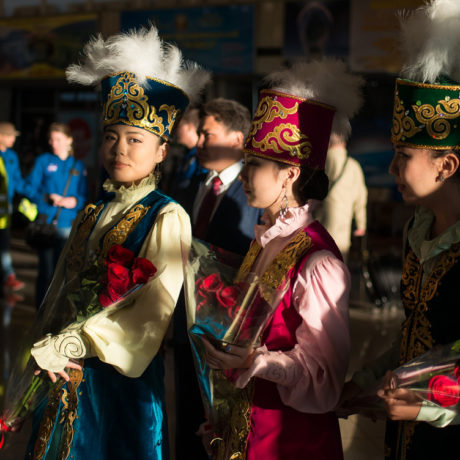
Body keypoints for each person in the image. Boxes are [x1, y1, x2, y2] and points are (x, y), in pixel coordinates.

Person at [20, 26, 209, 459]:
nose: (118, 149)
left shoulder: (167, 215)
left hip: (120, 388)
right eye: (110, 136)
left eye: (134, 139)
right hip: (63, 375)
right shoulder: (91, 211)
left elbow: (151, 314)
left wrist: (69, 343)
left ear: (162, 150)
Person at [200, 59, 363, 459]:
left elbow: (325, 380)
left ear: (289, 174)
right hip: (250, 429)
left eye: (253, 166)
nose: (242, 175)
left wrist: (259, 361)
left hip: (292, 441)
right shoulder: (264, 240)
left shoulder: (318, 260)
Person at [340, 1, 460, 458]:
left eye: (403, 156)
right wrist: (367, 384)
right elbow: (415, 335)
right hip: (405, 435)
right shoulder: (418, 231)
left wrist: (427, 406)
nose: (390, 167)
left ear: (446, 165)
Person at [173, 97, 263, 459]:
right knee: (187, 422)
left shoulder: (253, 189)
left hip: (229, 334)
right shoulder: (193, 183)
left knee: (222, 432)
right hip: (187, 327)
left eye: (207, 135)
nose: (198, 143)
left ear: (237, 139)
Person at [25, 122, 88, 308]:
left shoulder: (77, 165)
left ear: (69, 140)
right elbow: (29, 188)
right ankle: (41, 310)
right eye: (51, 139)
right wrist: (46, 196)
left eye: (58, 139)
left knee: (64, 272)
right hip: (47, 223)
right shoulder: (43, 161)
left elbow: (83, 195)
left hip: (68, 224)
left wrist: (75, 202)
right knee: (45, 270)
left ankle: (58, 312)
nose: (54, 143)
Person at [313, 132, 367, 262]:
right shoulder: (353, 166)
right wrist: (361, 224)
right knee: (337, 263)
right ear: (344, 142)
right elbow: (361, 197)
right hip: (342, 228)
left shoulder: (321, 163)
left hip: (317, 223)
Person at [0, 121, 30, 292]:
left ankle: (8, 276)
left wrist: (34, 194)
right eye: (11, 136)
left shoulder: (12, 156)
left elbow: (18, 181)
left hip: (6, 209)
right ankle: (8, 275)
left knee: (4, 242)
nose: (13, 139)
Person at [169, 106, 207, 195]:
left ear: (190, 127)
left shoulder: (203, 157)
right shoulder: (185, 156)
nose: (176, 131)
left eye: (179, 126)